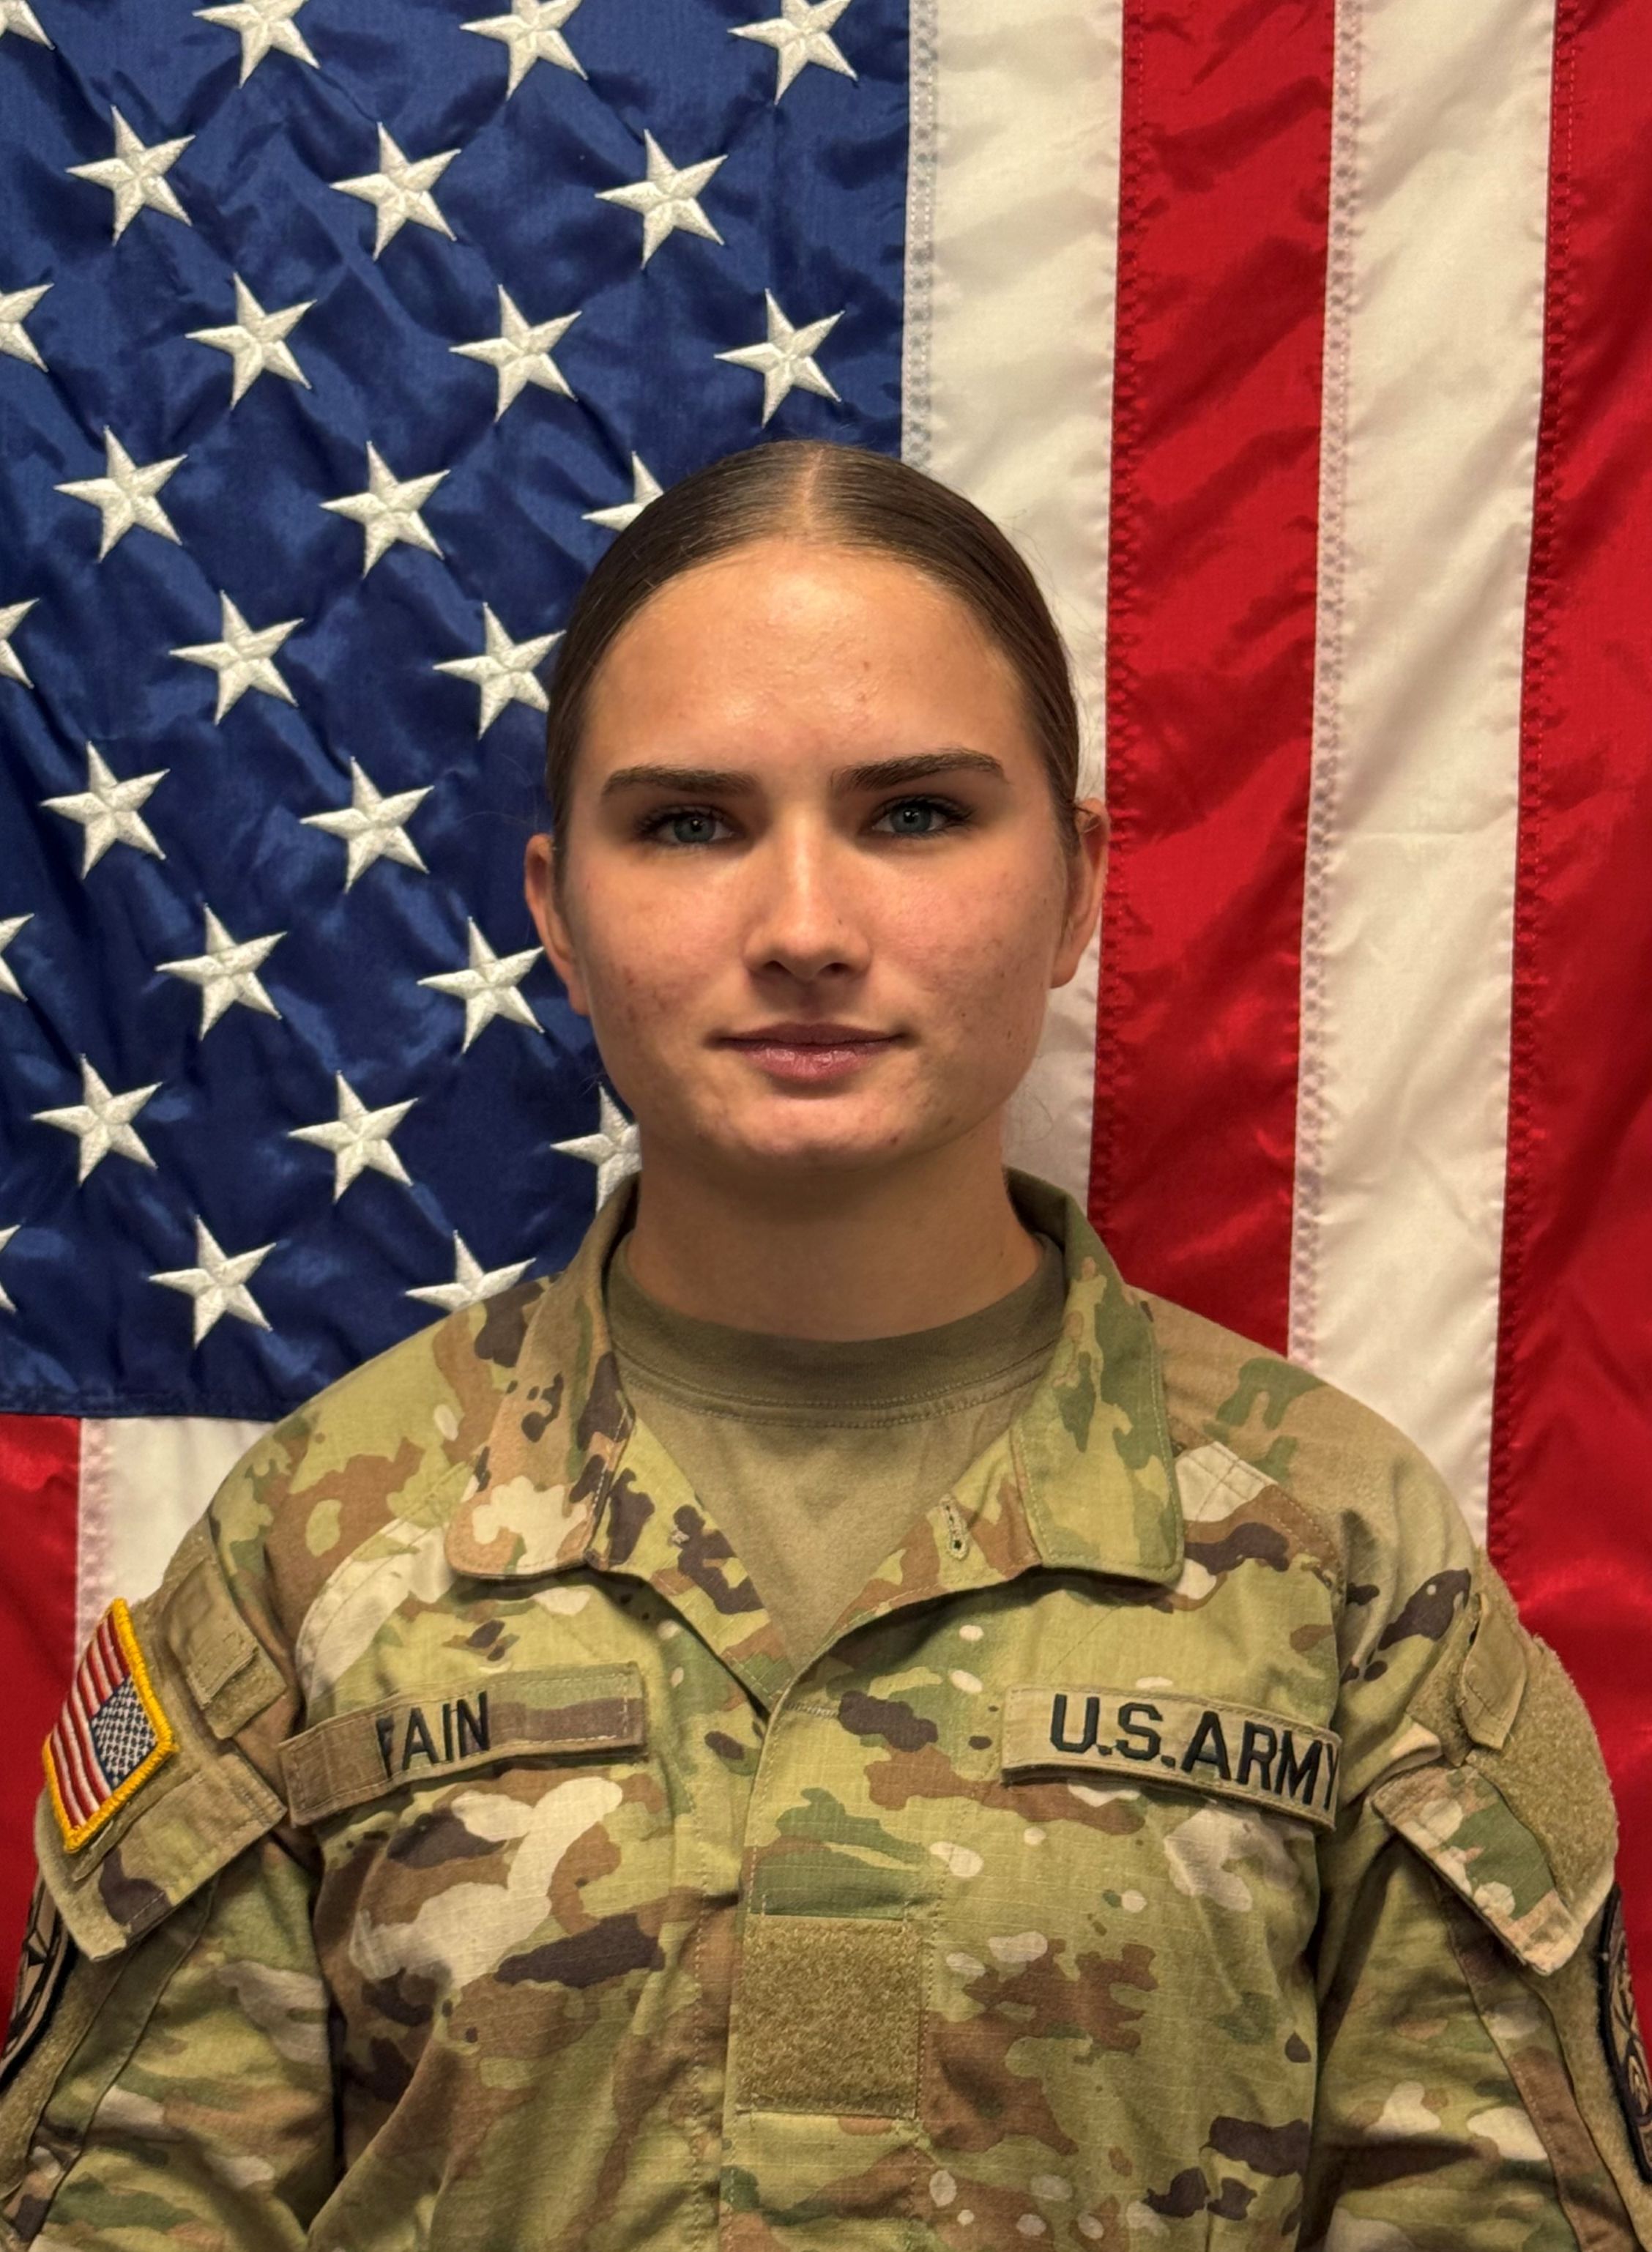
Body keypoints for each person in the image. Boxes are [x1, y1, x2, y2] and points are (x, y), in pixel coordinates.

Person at [1, 439, 1647, 2252]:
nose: (803, 928)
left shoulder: (1338, 1553)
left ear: (1080, 882)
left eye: (917, 812)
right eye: (690, 822)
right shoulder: (316, 1542)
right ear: (555, 907)